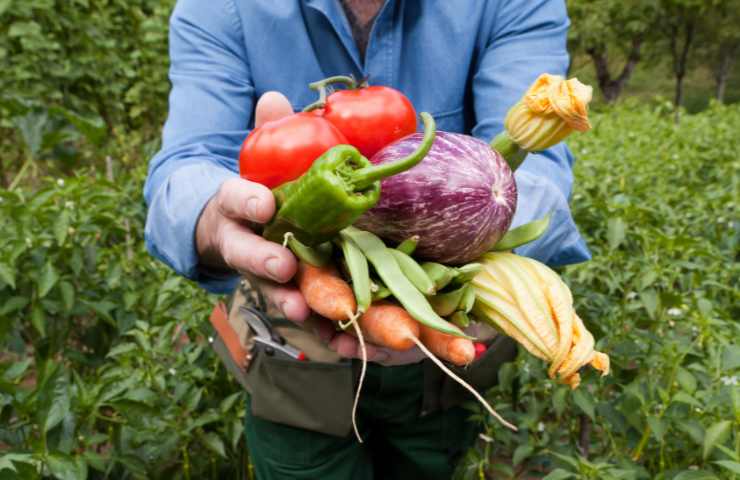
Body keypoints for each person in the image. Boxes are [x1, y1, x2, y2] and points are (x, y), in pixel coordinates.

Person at [143, 1, 590, 478]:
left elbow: (539, 172)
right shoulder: (221, 8)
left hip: (447, 349)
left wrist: (454, 243)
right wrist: (216, 219)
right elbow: (187, 164)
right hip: (288, 351)